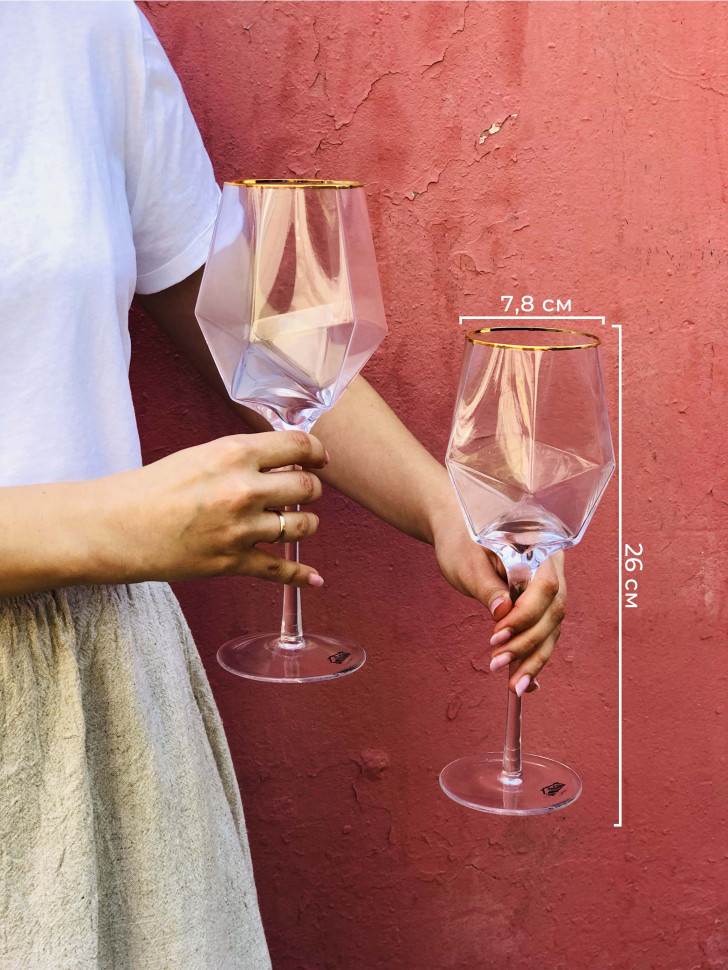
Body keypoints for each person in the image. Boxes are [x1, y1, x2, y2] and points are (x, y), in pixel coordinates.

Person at [0, 3, 566, 967]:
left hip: (97, 688)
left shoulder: (76, 21)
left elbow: (230, 306)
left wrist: (446, 506)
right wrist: (107, 524)